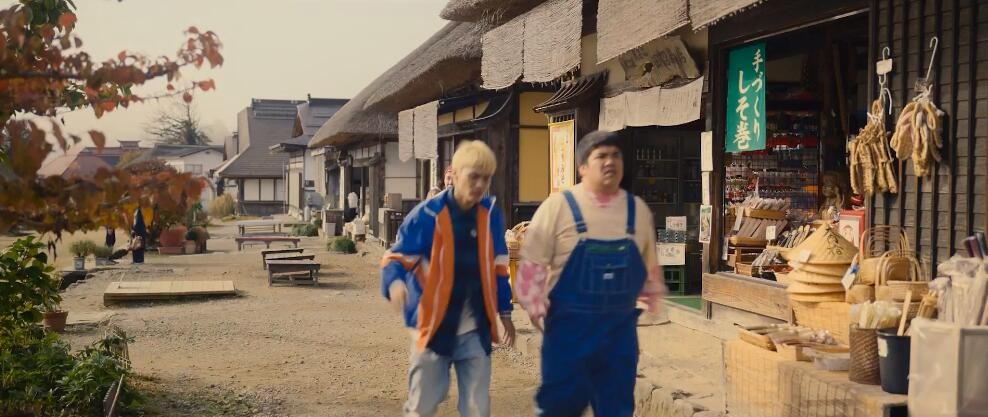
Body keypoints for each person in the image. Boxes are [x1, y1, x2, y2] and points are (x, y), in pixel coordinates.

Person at [515, 130, 666, 417]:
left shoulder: (638, 211)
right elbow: (531, 264)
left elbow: (650, 271)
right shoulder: (558, 207)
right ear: (582, 167)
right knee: (559, 409)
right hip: (568, 334)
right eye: (601, 156)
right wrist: (534, 306)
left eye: (616, 155)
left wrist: (650, 302)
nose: (610, 162)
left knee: (616, 410)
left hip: (619, 338)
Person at [380, 140, 515, 417]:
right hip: (434, 326)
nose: (480, 185)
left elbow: (499, 267)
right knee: (423, 406)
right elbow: (396, 258)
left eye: (486, 178)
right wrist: (394, 283)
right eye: (473, 176)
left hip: (475, 328)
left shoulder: (490, 215)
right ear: (454, 174)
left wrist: (505, 312)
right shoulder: (427, 215)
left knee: (477, 409)